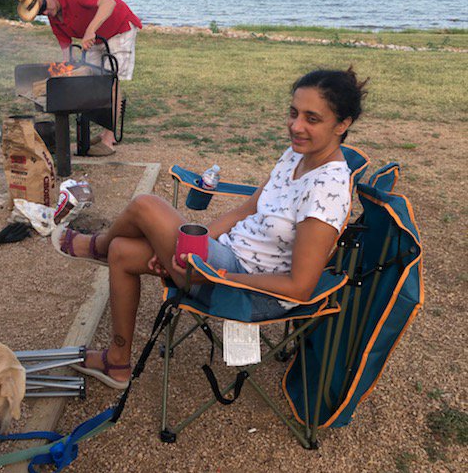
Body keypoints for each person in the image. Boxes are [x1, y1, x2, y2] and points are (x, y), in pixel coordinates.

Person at [53, 67, 368, 390]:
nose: (296, 126)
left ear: (342, 125)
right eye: (293, 113)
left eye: (312, 119)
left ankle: (97, 247)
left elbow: (299, 287)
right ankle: (117, 361)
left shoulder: (325, 192)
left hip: (249, 291)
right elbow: (246, 209)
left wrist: (216, 275)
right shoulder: (296, 155)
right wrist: (187, 247)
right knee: (122, 252)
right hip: (224, 259)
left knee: (146, 205)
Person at [17, 0, 142, 156]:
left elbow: (109, 3)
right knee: (90, 80)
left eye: (43, 7)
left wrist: (91, 30)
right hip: (96, 38)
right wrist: (68, 72)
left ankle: (109, 139)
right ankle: (103, 131)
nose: (45, 13)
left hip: (119, 29)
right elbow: (66, 51)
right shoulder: (54, 18)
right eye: (39, 13)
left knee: (110, 81)